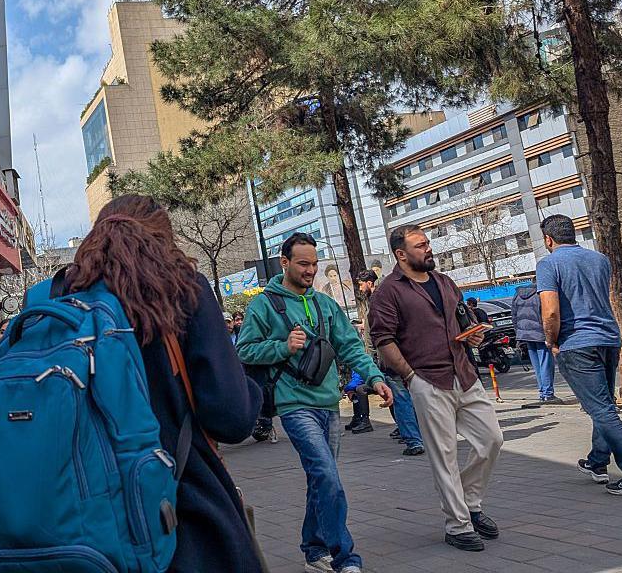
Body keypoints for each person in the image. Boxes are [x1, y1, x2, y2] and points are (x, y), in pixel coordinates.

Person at [58, 195, 262, 572]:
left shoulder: (59, 298)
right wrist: (254, 389)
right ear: (163, 240)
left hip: (82, 520)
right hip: (180, 509)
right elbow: (230, 417)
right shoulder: (184, 289)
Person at [238, 232, 393, 573]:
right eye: (303, 264)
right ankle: (345, 557)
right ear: (285, 263)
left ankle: (312, 550)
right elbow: (243, 351)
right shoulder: (264, 304)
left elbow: (350, 345)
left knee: (321, 479)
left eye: (314, 264)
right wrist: (282, 346)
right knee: (326, 474)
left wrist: (375, 378)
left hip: (328, 404)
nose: (311, 271)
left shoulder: (325, 304)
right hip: (293, 405)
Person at [370, 224, 503, 552]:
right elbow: (383, 339)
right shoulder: (389, 291)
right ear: (401, 254)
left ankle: (470, 504)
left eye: (427, 243)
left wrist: (473, 334)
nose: (428, 249)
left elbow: (464, 321)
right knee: (444, 455)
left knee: (492, 440)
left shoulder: (445, 282)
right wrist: (410, 375)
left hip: (464, 375)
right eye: (420, 245)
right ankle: (457, 525)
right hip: (427, 379)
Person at [535, 214, 622, 494]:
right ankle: (598, 461)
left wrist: (551, 341)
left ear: (548, 239)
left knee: (601, 409)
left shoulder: (548, 264)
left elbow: (550, 310)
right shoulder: (599, 260)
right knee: (604, 403)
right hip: (608, 338)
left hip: (577, 343)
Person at [355, 270, 424, 456]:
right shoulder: (396, 299)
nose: (360, 288)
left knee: (401, 400)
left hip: (390, 359)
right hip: (407, 356)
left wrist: (373, 361)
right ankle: (420, 436)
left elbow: (373, 338)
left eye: (361, 284)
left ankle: (414, 440)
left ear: (369, 283)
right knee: (412, 397)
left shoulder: (376, 302)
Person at [511, 285, 559, 403]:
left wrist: (518, 333)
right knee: (546, 363)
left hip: (525, 334)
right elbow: (548, 314)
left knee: (537, 365)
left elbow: (514, 316)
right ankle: (548, 393)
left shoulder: (517, 294)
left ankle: (543, 392)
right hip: (540, 333)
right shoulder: (540, 294)